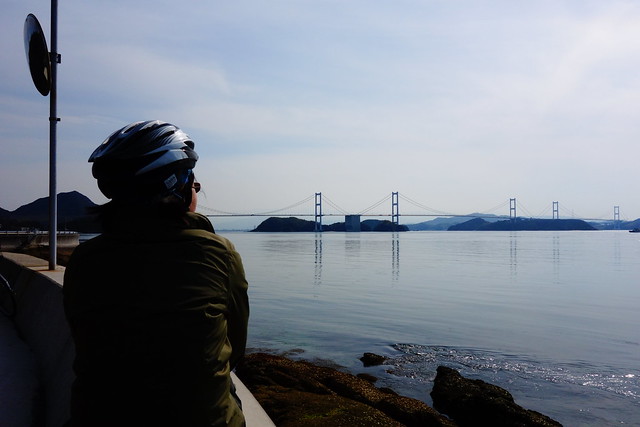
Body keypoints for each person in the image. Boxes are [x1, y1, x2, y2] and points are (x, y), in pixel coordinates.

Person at [63, 120, 249, 426]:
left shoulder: (85, 258)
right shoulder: (219, 254)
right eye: (194, 183)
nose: (197, 191)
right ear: (179, 186)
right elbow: (235, 349)